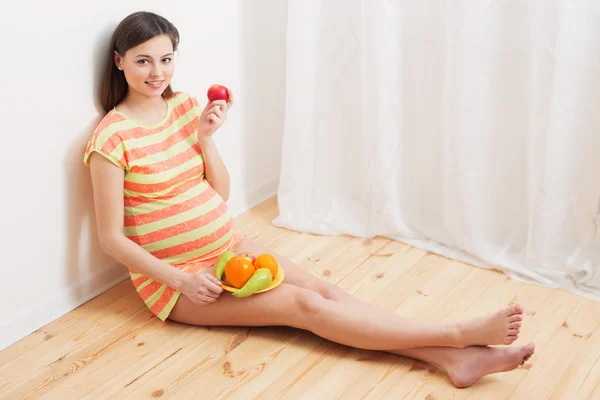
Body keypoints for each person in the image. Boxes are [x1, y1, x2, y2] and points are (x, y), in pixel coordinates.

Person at [85, 11, 535, 388]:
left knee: (323, 289)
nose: (156, 72)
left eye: (165, 59)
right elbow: (111, 240)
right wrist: (181, 281)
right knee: (307, 307)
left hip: (228, 250)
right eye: (143, 61)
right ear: (119, 61)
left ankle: (454, 359)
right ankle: (456, 336)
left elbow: (218, 194)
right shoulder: (111, 137)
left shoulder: (183, 107)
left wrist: (205, 139)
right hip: (179, 284)